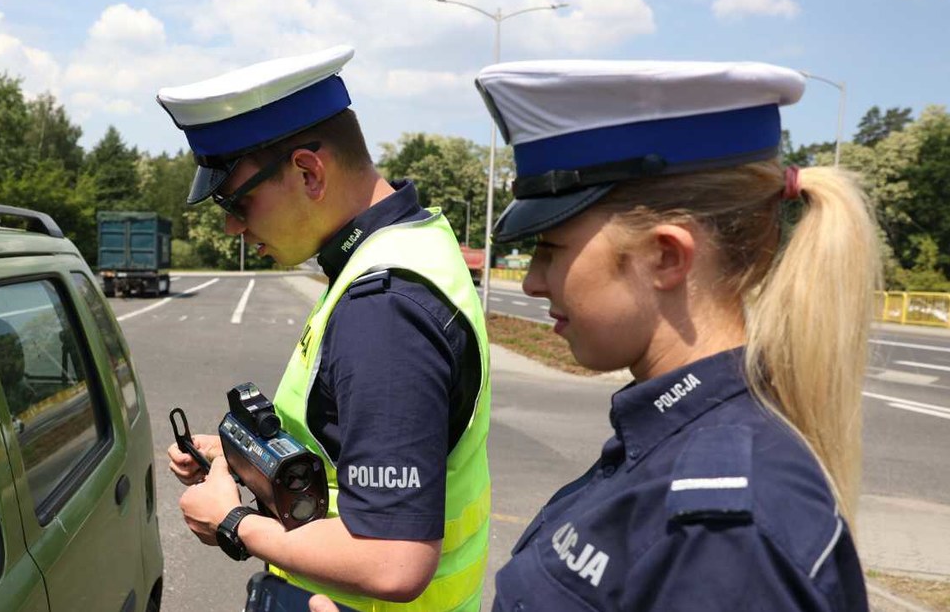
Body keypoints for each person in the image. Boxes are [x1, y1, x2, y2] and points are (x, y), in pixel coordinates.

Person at [314, 59, 877, 611]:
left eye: (551, 249)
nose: (533, 281)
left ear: (664, 256)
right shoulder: (673, 447)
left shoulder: (723, 528)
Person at [158, 46, 493, 611]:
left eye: (237, 200)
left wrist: (233, 522)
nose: (232, 226)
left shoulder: (383, 309)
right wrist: (247, 458)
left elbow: (394, 558)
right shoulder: (410, 243)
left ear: (309, 171)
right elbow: (347, 450)